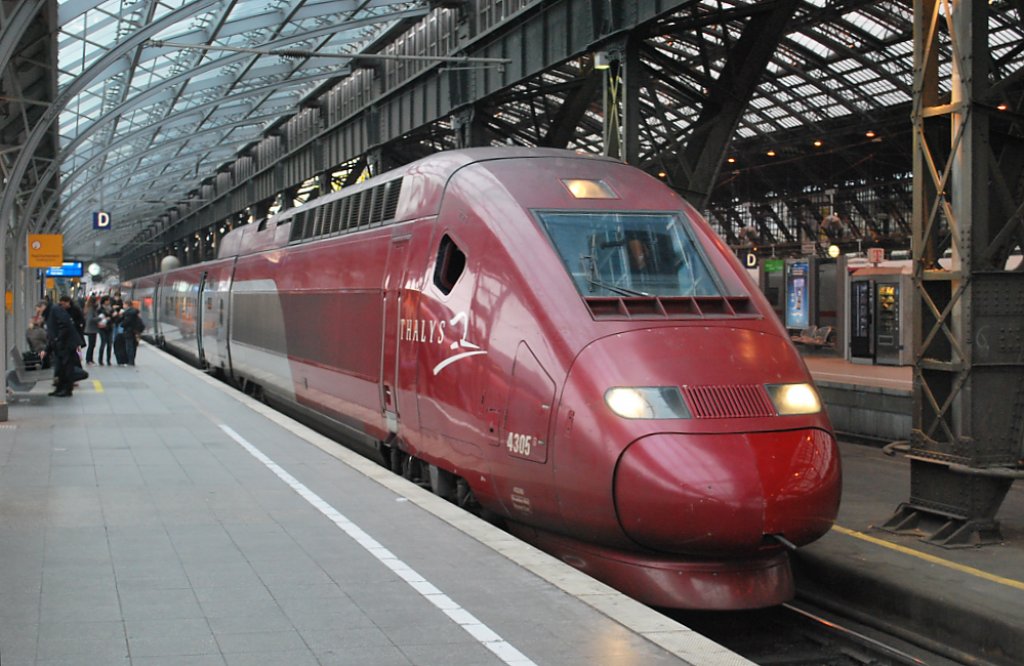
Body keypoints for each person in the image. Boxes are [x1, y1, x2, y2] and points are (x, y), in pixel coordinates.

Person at [41, 295, 80, 397]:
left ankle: (67, 389)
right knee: (60, 367)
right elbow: (52, 334)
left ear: (43, 306)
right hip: (61, 345)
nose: (38, 312)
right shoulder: (51, 312)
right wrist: (47, 349)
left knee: (67, 367)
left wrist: (58, 339)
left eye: (38, 309)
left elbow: (65, 324)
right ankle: (60, 388)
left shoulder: (55, 310)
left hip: (66, 344)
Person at [120, 301, 145, 366]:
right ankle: (132, 360)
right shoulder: (134, 312)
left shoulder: (128, 313)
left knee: (129, 347)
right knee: (133, 347)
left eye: (124, 304)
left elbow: (125, 322)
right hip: (135, 331)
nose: (123, 306)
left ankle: (130, 361)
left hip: (129, 331)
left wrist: (122, 323)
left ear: (127, 305)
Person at [83, 295, 99, 365]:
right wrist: (99, 318)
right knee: (91, 344)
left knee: (92, 344)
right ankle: (88, 359)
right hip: (91, 329)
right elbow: (90, 319)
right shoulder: (91, 309)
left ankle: (90, 359)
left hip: (92, 329)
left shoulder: (91, 308)